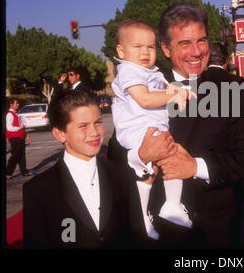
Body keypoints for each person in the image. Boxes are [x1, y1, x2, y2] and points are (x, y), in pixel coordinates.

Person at [108, 1, 244, 248]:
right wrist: (140, 155)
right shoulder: (142, 86)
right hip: (158, 232)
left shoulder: (234, 90)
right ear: (166, 49)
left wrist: (194, 167)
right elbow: (115, 153)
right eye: (184, 43)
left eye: (201, 41)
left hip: (215, 232)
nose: (197, 51)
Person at [23, 89, 158, 248]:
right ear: (60, 134)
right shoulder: (38, 189)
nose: (94, 132)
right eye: (83, 126)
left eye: (98, 123)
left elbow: (136, 233)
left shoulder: (122, 175)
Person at [111, 19, 194, 239]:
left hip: (151, 127)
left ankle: (144, 215)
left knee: (153, 171)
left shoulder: (152, 72)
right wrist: (174, 94)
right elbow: (145, 99)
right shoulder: (129, 71)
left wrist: (180, 91)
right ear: (121, 50)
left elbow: (169, 90)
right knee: (173, 156)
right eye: (137, 47)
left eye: (150, 46)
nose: (145, 52)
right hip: (139, 129)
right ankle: (171, 205)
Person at [5, 98, 33, 180]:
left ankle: (24, 171)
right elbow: (9, 127)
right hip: (14, 137)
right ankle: (8, 173)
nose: (18, 105)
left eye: (18, 103)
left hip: (20, 136)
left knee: (22, 155)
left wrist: (26, 135)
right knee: (15, 155)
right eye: (16, 103)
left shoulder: (16, 114)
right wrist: (18, 128)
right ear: (11, 104)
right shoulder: (9, 114)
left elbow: (22, 126)